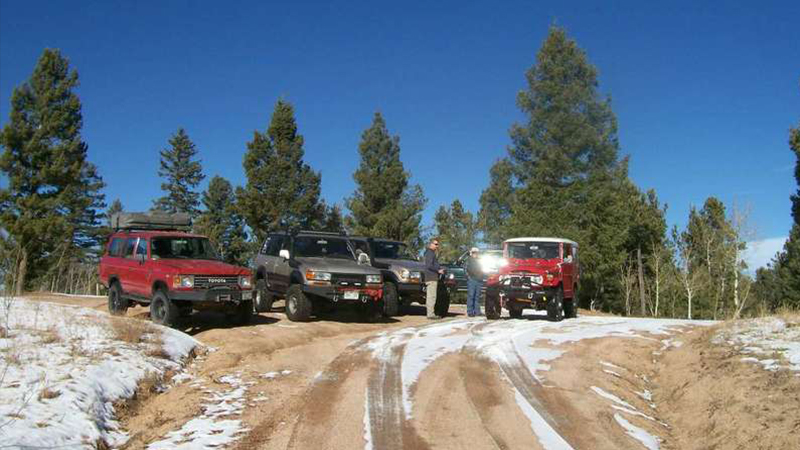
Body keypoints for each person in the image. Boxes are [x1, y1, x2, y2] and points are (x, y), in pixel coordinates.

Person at [423, 238, 445, 319]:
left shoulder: (431, 253)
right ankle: (430, 314)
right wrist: (438, 270)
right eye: (435, 244)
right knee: (431, 296)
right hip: (431, 277)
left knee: (432, 296)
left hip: (432, 277)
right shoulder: (429, 253)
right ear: (430, 244)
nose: (437, 246)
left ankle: (431, 313)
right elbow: (429, 265)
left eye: (437, 244)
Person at [465, 247, 483, 317]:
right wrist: (468, 277)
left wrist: (482, 276)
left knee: (477, 296)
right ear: (471, 253)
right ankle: (470, 312)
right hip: (472, 279)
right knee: (471, 295)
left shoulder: (479, 260)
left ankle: (477, 311)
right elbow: (465, 269)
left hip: (479, 280)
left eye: (476, 253)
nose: (475, 254)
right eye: (474, 252)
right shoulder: (468, 260)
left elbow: (482, 269)